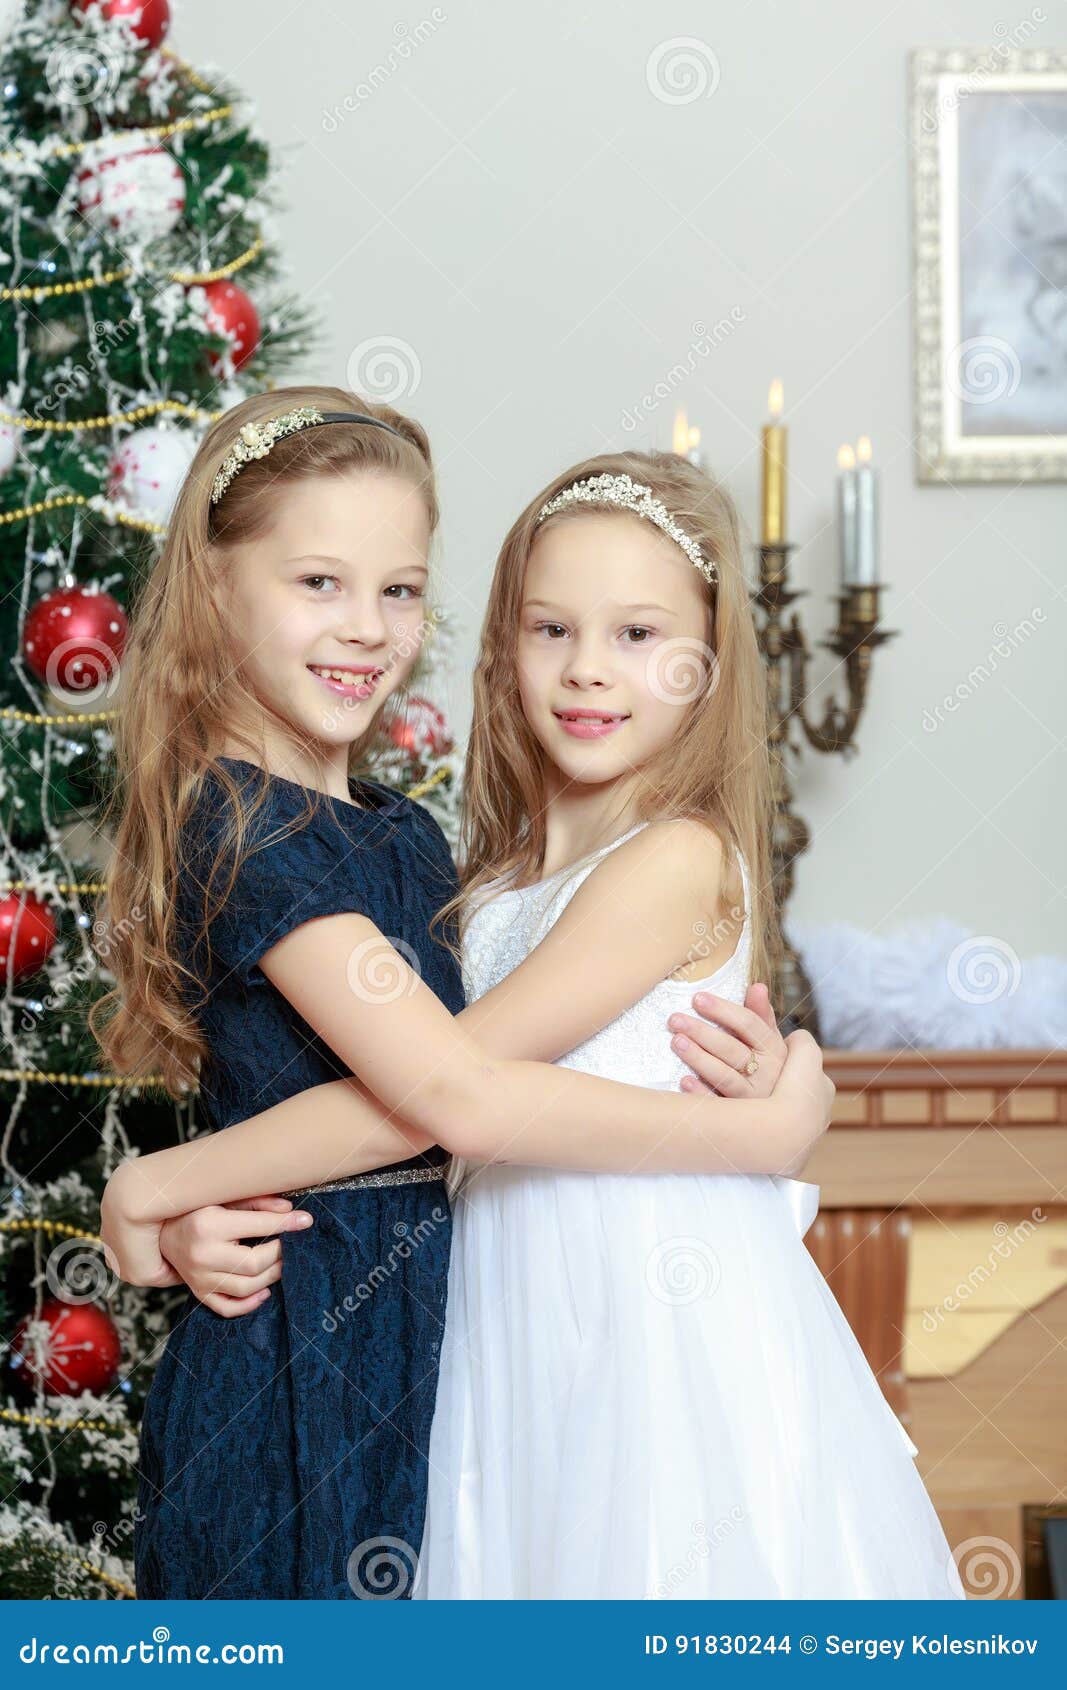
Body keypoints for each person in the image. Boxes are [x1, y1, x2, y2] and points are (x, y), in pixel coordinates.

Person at [95, 396, 833, 1600]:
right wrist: (756, 1133)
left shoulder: (400, 833)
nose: (367, 629)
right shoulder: (252, 827)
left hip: (451, 1335)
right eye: (320, 582)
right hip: (310, 1358)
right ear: (212, 587)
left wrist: (178, 1189)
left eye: (397, 591)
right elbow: (451, 1092)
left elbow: (463, 1078)